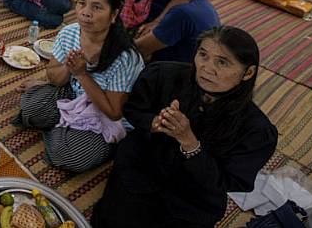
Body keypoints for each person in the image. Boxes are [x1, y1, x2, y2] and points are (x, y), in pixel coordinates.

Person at [92, 27, 278, 228]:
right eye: (203, 55)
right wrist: (153, 122)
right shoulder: (164, 75)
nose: (207, 67)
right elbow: (134, 109)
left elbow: (226, 182)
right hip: (141, 172)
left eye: (222, 62)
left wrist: (189, 142)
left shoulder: (255, 130)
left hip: (192, 200)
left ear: (247, 72)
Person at [17, 0, 144, 171]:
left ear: (114, 14)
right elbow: (55, 78)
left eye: (97, 7)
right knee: (30, 110)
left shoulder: (125, 57)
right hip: (74, 94)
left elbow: (114, 112)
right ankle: (65, 125)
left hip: (103, 114)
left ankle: (66, 130)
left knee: (69, 156)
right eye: (81, 3)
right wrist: (70, 67)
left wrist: (82, 74)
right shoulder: (69, 33)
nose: (86, 12)